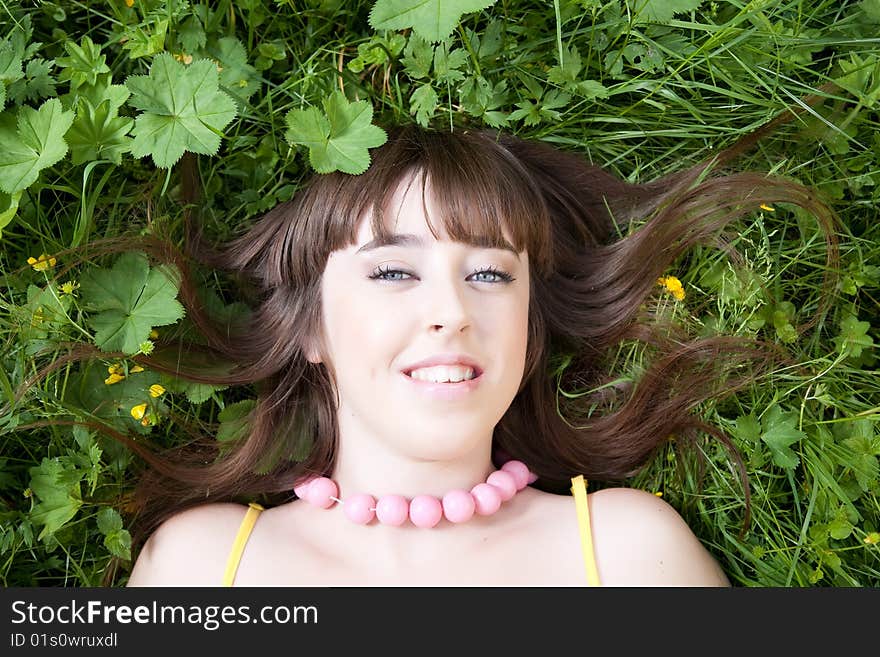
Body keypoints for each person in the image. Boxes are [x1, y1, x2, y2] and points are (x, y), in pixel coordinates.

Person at [122, 122, 835, 587]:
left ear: (528, 329)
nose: (453, 313)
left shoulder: (628, 555)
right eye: (394, 271)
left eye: (491, 274)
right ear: (310, 330)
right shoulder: (204, 567)